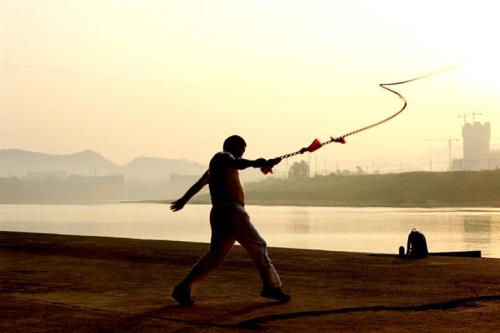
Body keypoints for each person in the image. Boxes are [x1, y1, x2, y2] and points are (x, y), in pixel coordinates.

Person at [170, 135, 290, 305]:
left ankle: (182, 289)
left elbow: (200, 183)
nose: (242, 154)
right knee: (259, 246)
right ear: (235, 147)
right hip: (232, 212)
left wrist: (184, 199)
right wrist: (256, 162)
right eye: (242, 149)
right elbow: (238, 163)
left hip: (220, 213)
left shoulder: (217, 165)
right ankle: (272, 287)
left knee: (215, 256)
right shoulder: (223, 157)